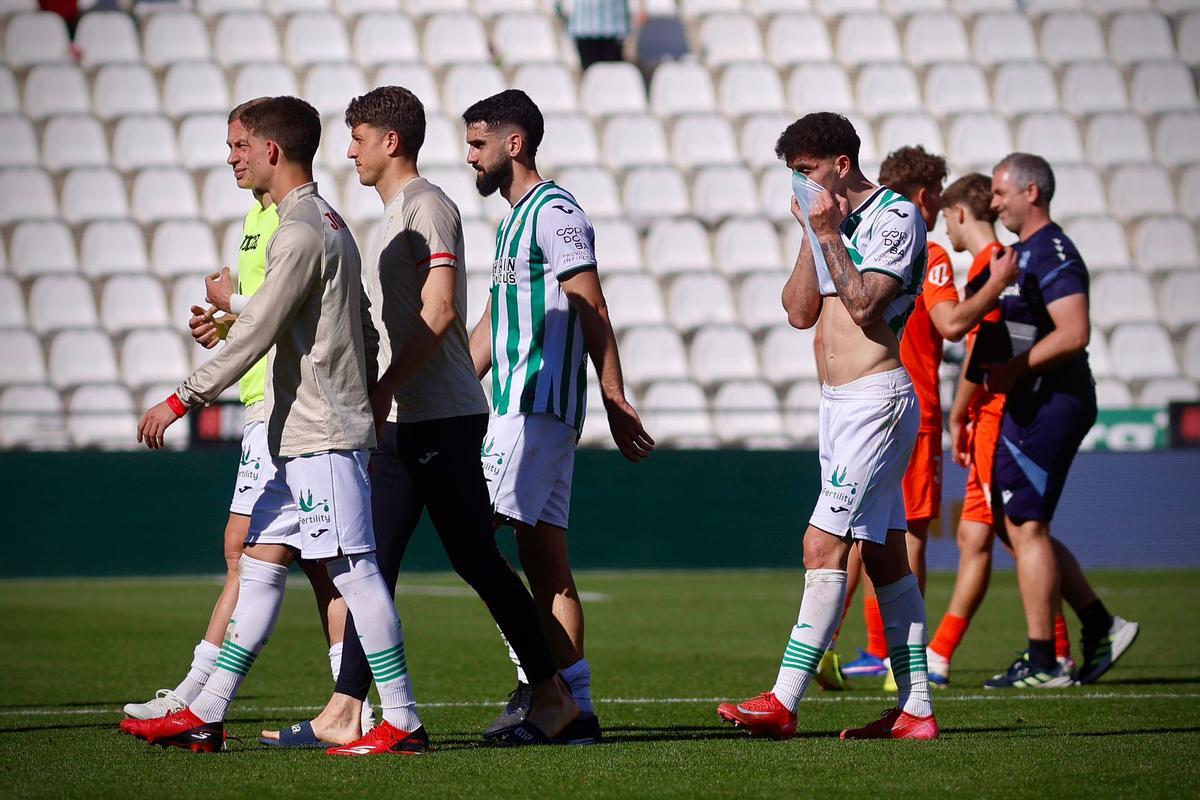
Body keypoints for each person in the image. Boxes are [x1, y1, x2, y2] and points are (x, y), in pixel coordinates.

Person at [261, 85, 581, 749]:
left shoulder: (428, 206)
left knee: (470, 562)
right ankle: (348, 709)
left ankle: (553, 697)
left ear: (390, 141)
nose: (347, 151)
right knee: (378, 561)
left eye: (356, 137)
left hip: (437, 417)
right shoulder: (389, 217)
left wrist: (382, 391)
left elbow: (438, 314)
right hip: (409, 417)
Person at [122, 96, 426, 756]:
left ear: (271, 152)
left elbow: (260, 329)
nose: (230, 157)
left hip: (321, 430)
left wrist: (181, 399)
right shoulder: (319, 222)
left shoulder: (303, 229)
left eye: (238, 146)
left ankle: (401, 718)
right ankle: (205, 712)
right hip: (301, 430)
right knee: (259, 562)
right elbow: (347, 328)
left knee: (354, 572)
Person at [718, 112, 936, 740]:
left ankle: (784, 702)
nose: (802, 184)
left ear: (842, 165)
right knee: (886, 556)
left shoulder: (897, 216)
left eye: (808, 171)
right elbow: (797, 310)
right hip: (838, 407)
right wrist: (814, 237)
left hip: (878, 400)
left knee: (822, 544)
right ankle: (916, 709)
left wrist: (828, 232)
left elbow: (866, 306)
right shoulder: (829, 223)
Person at [463, 89, 654, 742]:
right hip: (519, 409)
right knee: (545, 558)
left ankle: (537, 685)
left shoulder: (555, 211)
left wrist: (613, 393)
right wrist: (448, 385)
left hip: (534, 408)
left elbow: (590, 301)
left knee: (471, 534)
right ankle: (579, 705)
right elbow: (494, 324)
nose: (470, 158)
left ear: (513, 145)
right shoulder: (512, 221)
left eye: (477, 144)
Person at [836, 147, 1020, 689]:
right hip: (909, 407)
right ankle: (900, 656)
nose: (939, 203)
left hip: (857, 399)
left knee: (854, 527)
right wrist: (993, 286)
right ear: (922, 194)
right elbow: (950, 322)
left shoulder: (861, 241)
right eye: (936, 192)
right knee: (908, 530)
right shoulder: (929, 249)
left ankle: (838, 643)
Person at [976, 153, 1138, 688]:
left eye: (1001, 193)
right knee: (1020, 524)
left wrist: (1012, 369)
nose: (993, 202)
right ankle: (1099, 625)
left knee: (1027, 525)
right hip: (1031, 400)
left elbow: (1074, 332)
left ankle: (1046, 661)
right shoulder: (1022, 253)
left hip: (1052, 401)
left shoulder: (1054, 251)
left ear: (1032, 193)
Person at [928, 173, 1072, 685]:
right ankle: (942, 652)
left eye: (948, 219)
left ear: (961, 215)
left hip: (996, 418)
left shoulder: (993, 270)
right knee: (982, 535)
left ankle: (1058, 648)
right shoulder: (999, 266)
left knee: (1017, 531)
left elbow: (977, 350)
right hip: (993, 415)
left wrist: (959, 412)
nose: (946, 229)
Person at [564, 0, 641, 70]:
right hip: (584, 25)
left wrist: (641, 8)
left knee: (613, 71)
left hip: (614, 25)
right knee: (590, 72)